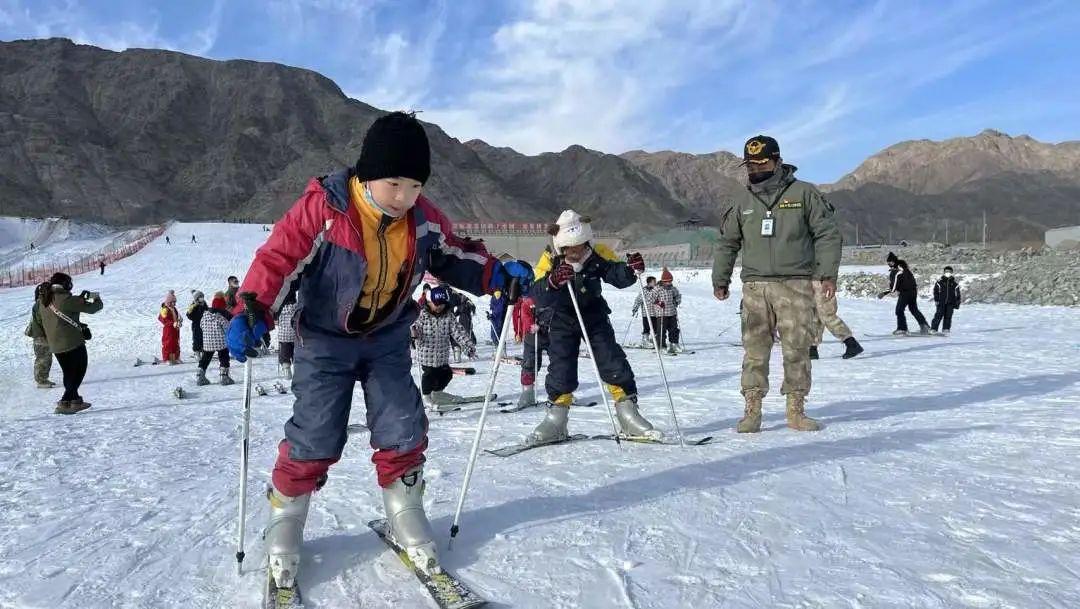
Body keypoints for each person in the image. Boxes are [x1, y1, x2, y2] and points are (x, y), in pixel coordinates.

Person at [222, 112, 534, 589]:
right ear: (368, 176)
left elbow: (455, 254)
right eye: (394, 184)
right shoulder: (324, 210)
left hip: (387, 338)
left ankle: (405, 509)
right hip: (325, 342)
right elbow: (278, 259)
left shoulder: (423, 220)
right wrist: (254, 309)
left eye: (414, 187)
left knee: (402, 422)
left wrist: (497, 274)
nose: (404, 197)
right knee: (317, 431)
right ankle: (286, 515)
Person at [712, 135, 841, 434]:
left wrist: (827, 274)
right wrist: (721, 278)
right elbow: (727, 243)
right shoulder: (742, 201)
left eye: (762, 162)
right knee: (754, 351)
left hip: (795, 284)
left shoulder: (804, 193)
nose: (756, 169)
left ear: (777, 161)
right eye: (751, 165)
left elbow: (827, 235)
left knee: (796, 348)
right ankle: (752, 411)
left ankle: (796, 410)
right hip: (755, 287)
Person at [526, 210, 660, 445]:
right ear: (561, 246)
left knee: (612, 360)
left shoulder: (598, 254)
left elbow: (618, 276)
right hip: (561, 319)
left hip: (594, 316)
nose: (575, 252)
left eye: (579, 246)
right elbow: (536, 293)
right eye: (570, 248)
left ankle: (628, 414)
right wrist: (552, 282)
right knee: (561, 367)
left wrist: (631, 269)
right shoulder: (549, 258)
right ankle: (556, 420)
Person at [30, 273, 103, 414]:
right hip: (73, 343)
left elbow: (50, 318)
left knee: (68, 372)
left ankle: (75, 400)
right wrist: (95, 296)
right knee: (79, 370)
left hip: (55, 345)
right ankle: (64, 402)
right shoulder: (67, 299)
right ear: (66, 285)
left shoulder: (43, 300)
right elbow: (95, 308)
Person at [411, 286, 477, 408]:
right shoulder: (422, 315)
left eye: (442, 304)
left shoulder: (448, 316)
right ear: (429, 302)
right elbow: (415, 329)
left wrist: (468, 346)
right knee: (429, 375)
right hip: (426, 355)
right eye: (436, 304)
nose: (439, 307)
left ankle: (436, 394)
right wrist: (414, 333)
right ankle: (425, 396)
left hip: (441, 355)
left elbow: (458, 332)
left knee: (447, 374)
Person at [810, 279, 864, 360]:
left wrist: (828, 279)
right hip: (809, 279)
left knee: (826, 314)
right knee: (814, 315)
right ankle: (812, 348)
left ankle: (851, 343)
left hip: (821, 280)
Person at [879, 253, 929, 335]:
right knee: (914, 309)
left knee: (899, 310)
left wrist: (884, 293)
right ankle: (924, 326)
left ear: (894, 262)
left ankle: (902, 328)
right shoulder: (905, 268)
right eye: (888, 262)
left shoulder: (896, 271)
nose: (889, 264)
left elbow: (893, 288)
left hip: (905, 292)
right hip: (913, 291)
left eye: (890, 262)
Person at [196, 293, 234, 385]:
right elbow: (228, 327)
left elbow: (201, 326)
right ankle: (224, 376)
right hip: (221, 342)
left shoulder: (205, 316)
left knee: (206, 358)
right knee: (224, 357)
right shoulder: (220, 317)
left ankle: (200, 375)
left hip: (208, 343)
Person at [25, 293, 56, 389]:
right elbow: (41, 320)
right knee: (43, 358)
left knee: (46, 358)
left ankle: (43, 378)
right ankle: (41, 381)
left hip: (41, 335)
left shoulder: (40, 303)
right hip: (40, 336)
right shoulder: (40, 304)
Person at [653, 267, 683, 354]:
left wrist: (676, 302)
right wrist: (658, 303)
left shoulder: (673, 289)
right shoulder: (657, 289)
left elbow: (678, 296)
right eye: (667, 281)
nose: (669, 283)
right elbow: (651, 298)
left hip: (672, 312)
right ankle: (661, 346)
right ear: (663, 281)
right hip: (661, 313)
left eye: (670, 281)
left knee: (674, 329)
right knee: (661, 330)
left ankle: (674, 344)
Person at [931, 266, 962, 335]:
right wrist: (936, 300)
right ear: (944, 272)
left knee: (948, 317)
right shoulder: (939, 282)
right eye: (946, 272)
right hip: (941, 302)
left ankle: (946, 329)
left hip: (950, 303)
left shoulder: (954, 284)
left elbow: (958, 295)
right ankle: (933, 329)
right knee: (938, 316)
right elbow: (935, 292)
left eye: (949, 272)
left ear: (952, 273)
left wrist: (957, 303)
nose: (948, 273)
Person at [630, 275, 657, 348]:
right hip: (646, 314)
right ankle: (645, 340)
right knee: (647, 327)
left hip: (656, 313)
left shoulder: (656, 290)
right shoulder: (644, 290)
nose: (655, 283)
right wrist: (635, 309)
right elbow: (638, 300)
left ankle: (654, 340)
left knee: (656, 327)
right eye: (654, 282)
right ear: (649, 283)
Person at [158, 291, 182, 364]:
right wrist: (172, 323)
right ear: (169, 302)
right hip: (168, 329)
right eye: (172, 302)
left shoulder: (174, 309)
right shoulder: (165, 309)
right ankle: (167, 359)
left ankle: (176, 357)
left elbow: (177, 316)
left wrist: (179, 321)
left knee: (176, 343)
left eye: (175, 302)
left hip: (175, 329)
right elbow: (163, 319)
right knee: (168, 344)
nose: (174, 304)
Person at [276, 293, 297, 380]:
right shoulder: (297, 308)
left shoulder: (279, 309)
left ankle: (286, 371)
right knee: (296, 354)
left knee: (284, 354)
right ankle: (298, 371)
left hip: (283, 336)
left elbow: (275, 318)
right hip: (295, 335)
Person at [186, 290, 208, 360]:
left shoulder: (204, 303)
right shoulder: (193, 305)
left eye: (202, 297)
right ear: (196, 298)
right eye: (200, 297)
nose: (202, 298)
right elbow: (189, 315)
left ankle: (204, 351)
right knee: (197, 338)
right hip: (196, 325)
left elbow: (207, 310)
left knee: (204, 338)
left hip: (204, 324)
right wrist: (196, 317)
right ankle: (197, 352)